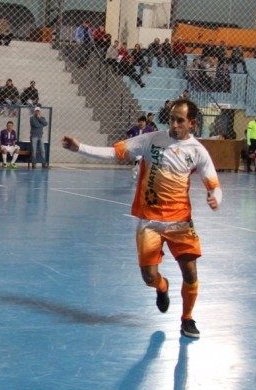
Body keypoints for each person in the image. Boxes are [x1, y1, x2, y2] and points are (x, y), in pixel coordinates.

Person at [61, 98, 222, 338]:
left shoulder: (198, 152)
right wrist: (80, 148)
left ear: (192, 123)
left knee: (190, 273)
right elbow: (116, 153)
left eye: (180, 120)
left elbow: (214, 184)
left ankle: (187, 318)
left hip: (180, 222)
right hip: (150, 222)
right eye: (172, 119)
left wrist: (215, 197)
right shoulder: (151, 140)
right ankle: (162, 286)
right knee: (148, 277)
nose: (174, 124)